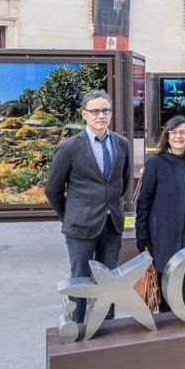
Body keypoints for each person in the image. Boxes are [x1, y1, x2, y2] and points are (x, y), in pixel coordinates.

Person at [45, 89, 130, 323]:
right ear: (84, 114)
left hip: (111, 224)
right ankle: (78, 327)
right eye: (95, 111)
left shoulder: (122, 144)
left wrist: (111, 207)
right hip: (80, 226)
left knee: (108, 279)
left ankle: (106, 326)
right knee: (80, 280)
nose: (101, 115)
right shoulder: (70, 148)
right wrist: (69, 215)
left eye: (106, 110)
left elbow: (121, 182)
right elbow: (52, 189)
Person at [135, 116, 185, 311]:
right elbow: (143, 202)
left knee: (184, 283)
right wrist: (142, 234)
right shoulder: (155, 162)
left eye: (183, 132)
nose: (179, 136)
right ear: (167, 135)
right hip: (163, 236)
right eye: (174, 132)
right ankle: (165, 327)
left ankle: (182, 326)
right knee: (164, 283)